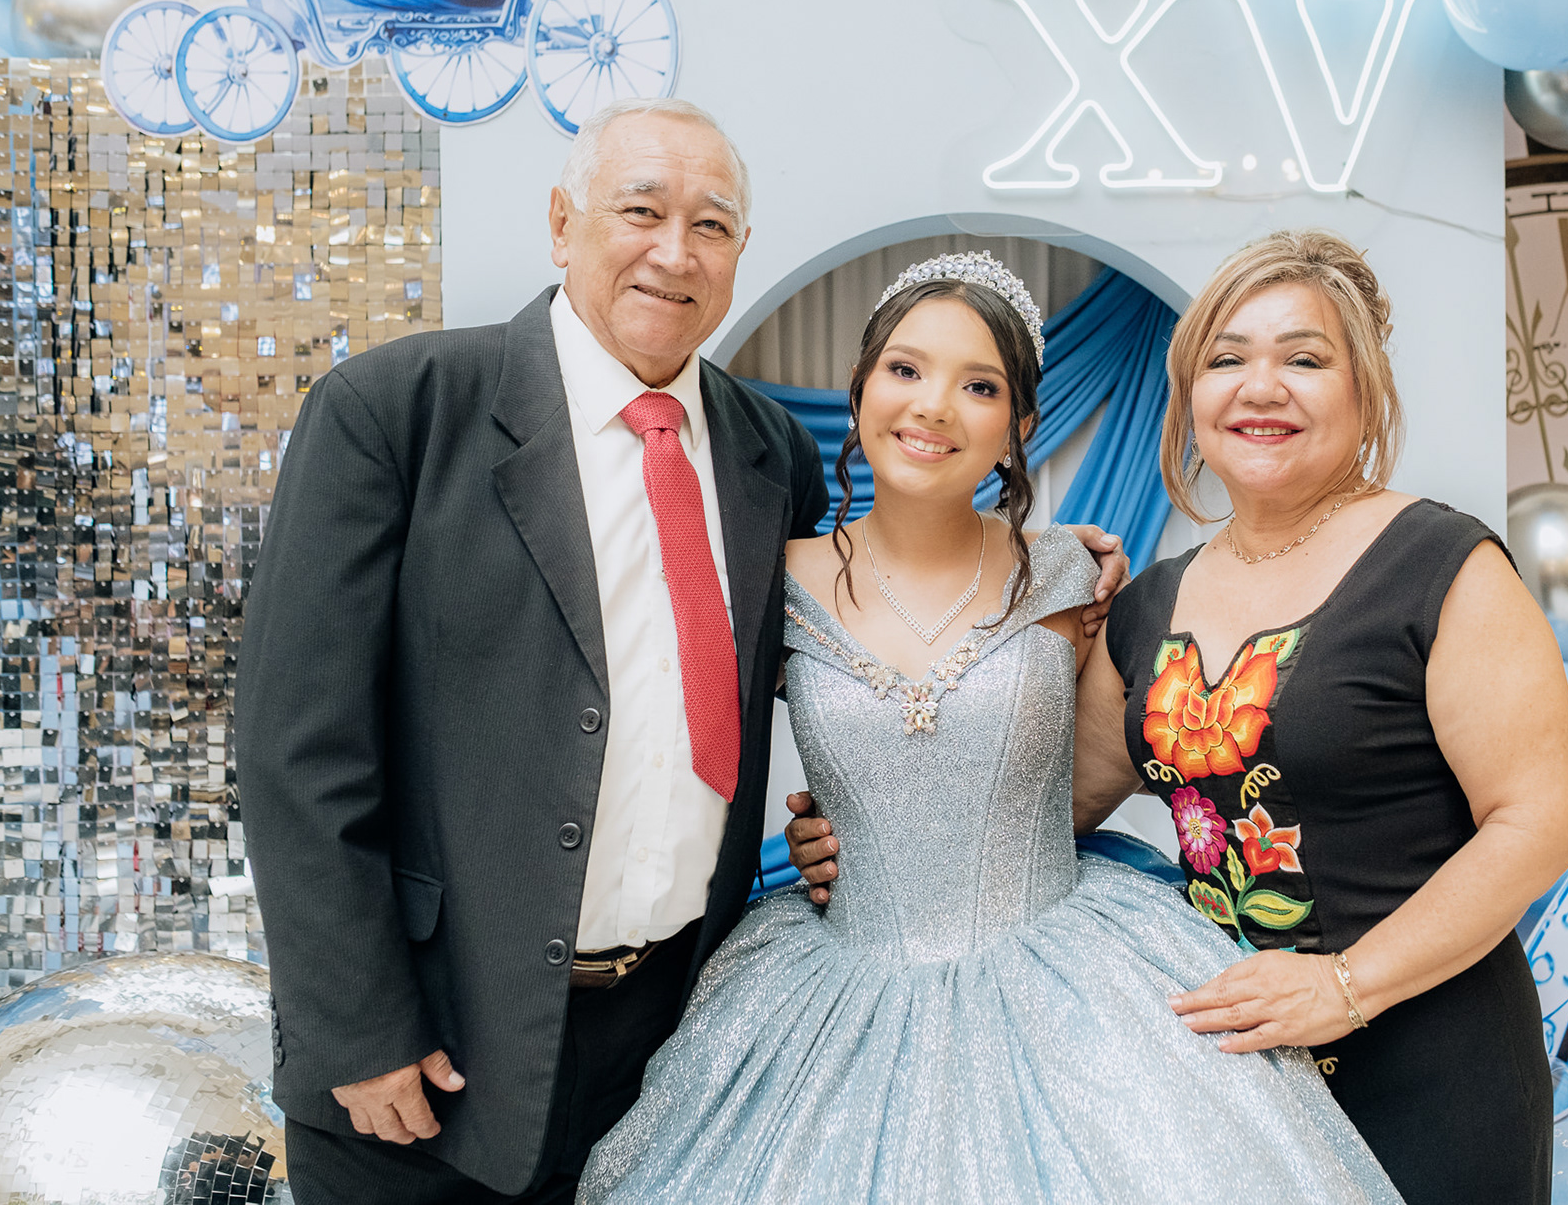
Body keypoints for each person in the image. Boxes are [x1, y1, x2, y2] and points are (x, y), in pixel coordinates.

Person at [235, 94, 1127, 1204]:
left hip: (671, 1039)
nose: (675, 251)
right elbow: (296, 747)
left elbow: (879, 654)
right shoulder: (397, 412)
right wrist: (358, 1023)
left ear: (741, 252)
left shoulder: (768, 451)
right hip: (430, 1043)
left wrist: (871, 827)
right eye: (641, 211)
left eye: (711, 225)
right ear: (561, 223)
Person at [577, 253, 1405, 1204]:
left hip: (1071, 980)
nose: (932, 406)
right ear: (860, 392)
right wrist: (821, 831)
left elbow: (1123, 755)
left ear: (1019, 429)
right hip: (833, 990)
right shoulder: (770, 580)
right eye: (905, 369)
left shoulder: (1070, 578)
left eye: (979, 386)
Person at [788, 229, 1568, 1203]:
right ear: (1191, 395)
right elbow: (1039, 807)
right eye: (1227, 359)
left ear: (1364, 390)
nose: (1261, 387)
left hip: (1430, 1057)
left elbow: (1538, 822)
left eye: (1304, 359)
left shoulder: (1442, 564)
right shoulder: (1150, 604)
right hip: (1229, 1074)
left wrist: (1345, 986)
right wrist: (866, 829)